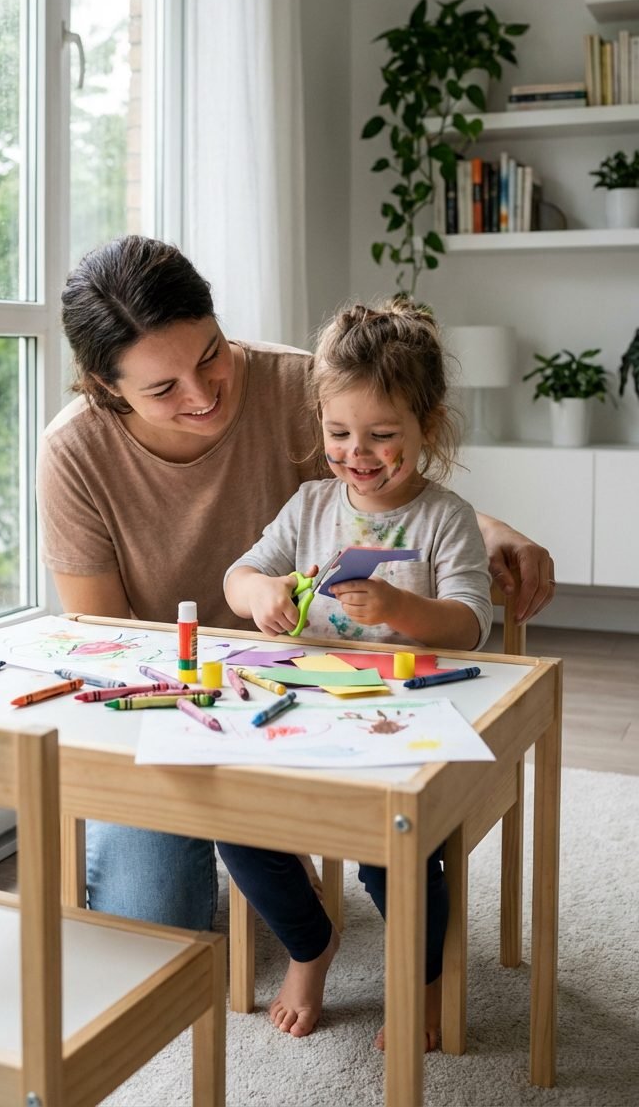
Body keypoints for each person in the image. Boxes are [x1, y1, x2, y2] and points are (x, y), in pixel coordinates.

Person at [37, 235, 555, 935]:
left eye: (210, 354)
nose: (203, 394)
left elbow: (393, 485)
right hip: (177, 698)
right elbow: (110, 643)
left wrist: (491, 532)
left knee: (363, 821)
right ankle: (259, 848)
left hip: (309, 687)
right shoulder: (73, 453)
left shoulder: (298, 385)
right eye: (163, 388)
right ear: (105, 388)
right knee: (153, 932)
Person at [220, 299, 491, 1050]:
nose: (357, 453)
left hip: (399, 725)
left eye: (382, 436)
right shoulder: (309, 504)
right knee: (235, 824)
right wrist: (261, 595)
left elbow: (472, 619)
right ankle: (311, 946)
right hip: (301, 715)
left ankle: (428, 976)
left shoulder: (444, 518)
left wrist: (404, 609)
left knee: (394, 855)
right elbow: (240, 575)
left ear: (427, 428)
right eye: (339, 433)